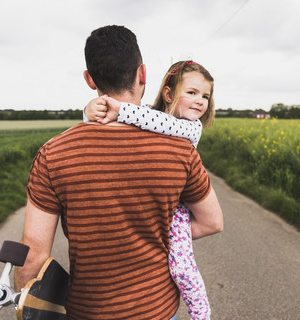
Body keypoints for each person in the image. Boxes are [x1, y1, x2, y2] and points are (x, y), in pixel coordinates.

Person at [14, 26, 223, 320]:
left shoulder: (53, 154)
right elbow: (213, 222)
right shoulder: (181, 151)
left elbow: (32, 258)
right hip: (158, 310)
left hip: (88, 312)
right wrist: (161, 237)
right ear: (143, 75)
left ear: (89, 79)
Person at [84, 60, 215, 319]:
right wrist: (90, 110)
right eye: (192, 92)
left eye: (206, 96)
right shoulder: (145, 114)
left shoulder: (189, 128)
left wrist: (119, 110)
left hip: (177, 210)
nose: (200, 101)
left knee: (181, 268)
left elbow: (154, 122)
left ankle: (202, 314)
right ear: (168, 93)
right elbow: (112, 119)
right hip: (149, 202)